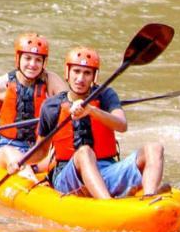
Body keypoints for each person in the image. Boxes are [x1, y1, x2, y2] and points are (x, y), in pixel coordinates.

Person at [9, 46, 167, 198]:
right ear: (67, 72)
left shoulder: (105, 95)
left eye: (87, 73)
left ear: (94, 77)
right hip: (67, 175)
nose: (80, 79)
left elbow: (121, 125)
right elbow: (41, 150)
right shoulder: (52, 106)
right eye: (76, 71)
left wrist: (92, 110)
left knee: (154, 148)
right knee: (84, 152)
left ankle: (149, 197)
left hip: (107, 169)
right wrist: (22, 161)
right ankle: (108, 205)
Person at [0, 33, 66, 173]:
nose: (32, 64)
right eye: (27, 58)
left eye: (38, 60)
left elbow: (68, 101)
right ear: (18, 58)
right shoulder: (2, 84)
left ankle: (34, 170)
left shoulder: (51, 82)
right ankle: (27, 177)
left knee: (64, 154)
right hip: (6, 146)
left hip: (38, 150)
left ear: (44, 63)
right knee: (11, 154)